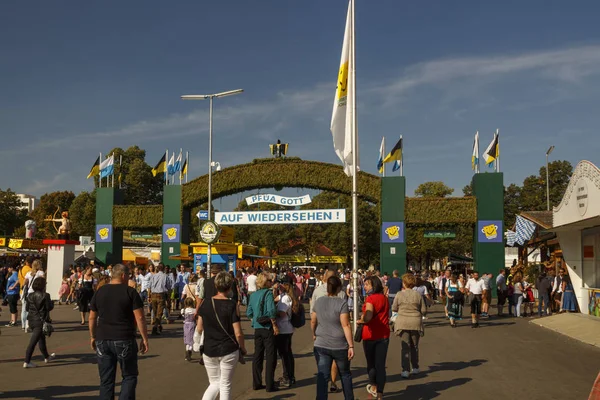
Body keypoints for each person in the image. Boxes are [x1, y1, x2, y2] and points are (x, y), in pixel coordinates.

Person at [89, 263, 149, 400]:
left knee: (106, 380)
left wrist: (93, 336)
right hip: (124, 338)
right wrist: (144, 338)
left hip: (103, 338)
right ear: (123, 275)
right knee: (129, 376)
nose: (129, 278)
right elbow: (139, 317)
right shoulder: (130, 292)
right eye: (128, 275)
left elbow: (92, 317)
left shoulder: (100, 291)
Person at [197, 271, 247, 400]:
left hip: (209, 348)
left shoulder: (206, 303)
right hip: (228, 349)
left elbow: (199, 327)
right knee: (225, 385)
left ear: (215, 285)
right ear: (230, 287)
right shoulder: (231, 305)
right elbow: (238, 332)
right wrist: (242, 347)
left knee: (214, 384)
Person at [311, 275, 354, 400]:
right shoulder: (341, 303)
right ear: (339, 288)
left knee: (322, 376)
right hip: (339, 344)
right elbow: (345, 325)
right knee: (345, 375)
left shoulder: (319, 301)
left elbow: (313, 321)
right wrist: (351, 345)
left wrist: (314, 333)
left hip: (321, 343)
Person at [357, 276, 389, 399]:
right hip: (384, 334)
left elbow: (369, 315)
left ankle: (373, 386)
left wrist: (362, 320)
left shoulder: (370, 299)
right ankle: (380, 393)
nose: (365, 287)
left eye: (367, 285)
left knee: (371, 364)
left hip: (370, 335)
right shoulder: (384, 299)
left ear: (373, 286)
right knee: (380, 365)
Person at [246, 272, 279, 393]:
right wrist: (275, 325)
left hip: (257, 327)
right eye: (270, 281)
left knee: (257, 356)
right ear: (266, 282)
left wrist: (254, 319)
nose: (272, 282)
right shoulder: (268, 294)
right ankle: (270, 384)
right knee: (270, 356)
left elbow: (249, 312)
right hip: (267, 327)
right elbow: (271, 311)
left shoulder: (254, 295)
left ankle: (256, 382)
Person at [392, 273, 426, 379]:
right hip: (415, 322)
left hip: (403, 322)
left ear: (404, 283)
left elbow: (394, 308)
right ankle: (415, 367)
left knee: (405, 347)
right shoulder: (418, 295)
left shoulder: (399, 294)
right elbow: (424, 310)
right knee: (414, 346)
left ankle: (405, 370)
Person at [24, 277, 55, 368]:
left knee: (41, 339)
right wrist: (52, 303)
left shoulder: (29, 295)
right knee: (33, 342)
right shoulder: (46, 295)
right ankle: (27, 361)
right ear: (43, 285)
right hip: (40, 320)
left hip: (32, 320)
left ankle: (46, 357)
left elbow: (27, 309)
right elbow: (48, 308)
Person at [274, 282, 297, 388]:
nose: (279, 287)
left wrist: (272, 313)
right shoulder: (283, 297)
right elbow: (274, 299)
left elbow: (282, 313)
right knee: (287, 353)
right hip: (286, 328)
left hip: (284, 329)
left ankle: (287, 377)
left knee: (285, 354)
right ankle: (289, 376)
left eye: (281, 285)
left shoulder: (285, 298)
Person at [149, 264, 172, 335]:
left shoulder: (153, 276)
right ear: (164, 269)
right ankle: (155, 327)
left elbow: (150, 286)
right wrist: (168, 298)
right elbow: (168, 288)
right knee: (159, 312)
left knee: (155, 311)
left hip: (153, 294)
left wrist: (149, 296)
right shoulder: (165, 276)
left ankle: (159, 325)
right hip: (161, 295)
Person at [181, 297, 196, 361]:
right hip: (192, 324)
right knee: (191, 339)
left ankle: (187, 351)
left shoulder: (183, 310)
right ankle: (189, 352)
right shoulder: (194, 310)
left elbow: (183, 315)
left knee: (187, 338)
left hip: (186, 325)